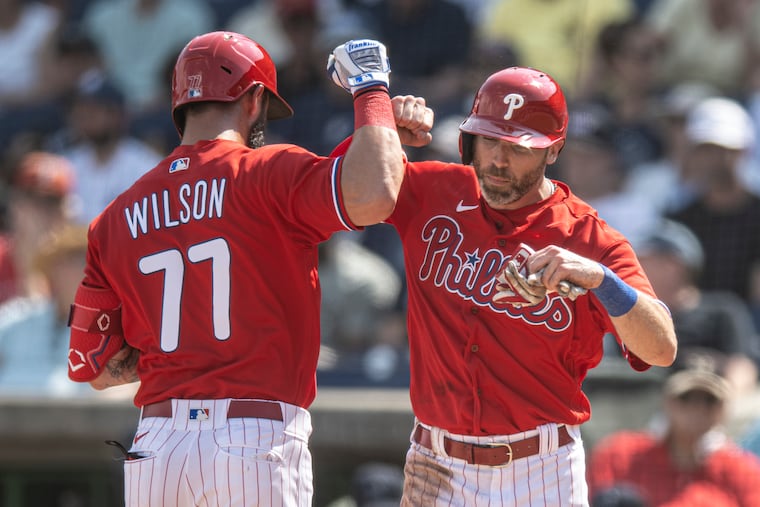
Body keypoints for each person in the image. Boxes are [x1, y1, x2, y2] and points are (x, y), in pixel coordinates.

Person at [65, 32, 433, 506]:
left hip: (157, 445)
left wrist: (182, 355)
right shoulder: (268, 171)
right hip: (253, 437)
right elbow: (375, 192)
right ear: (255, 99)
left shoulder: (113, 218)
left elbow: (90, 367)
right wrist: (371, 91)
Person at [335, 66, 677, 504]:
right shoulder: (432, 191)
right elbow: (344, 192)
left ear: (553, 151)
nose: (497, 160)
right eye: (490, 140)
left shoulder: (589, 237)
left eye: (518, 148)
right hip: (435, 464)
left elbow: (661, 348)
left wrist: (602, 280)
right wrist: (381, 132)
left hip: (540, 469)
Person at [588, 357, 760, 506]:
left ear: (722, 409)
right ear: (666, 400)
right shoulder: (619, 456)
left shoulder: (741, 471)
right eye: (686, 397)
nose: (697, 409)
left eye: (709, 400)